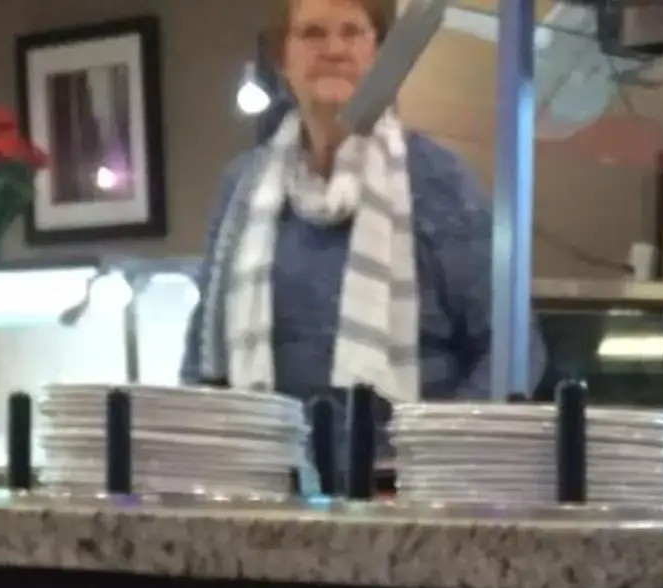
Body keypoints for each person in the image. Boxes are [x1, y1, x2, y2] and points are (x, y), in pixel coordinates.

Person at [183, 0, 497, 402]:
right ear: (282, 58)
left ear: (377, 53)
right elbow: (202, 352)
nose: (334, 50)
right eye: (313, 33)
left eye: (352, 32)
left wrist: (441, 454)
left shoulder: (438, 180)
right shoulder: (241, 187)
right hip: (269, 458)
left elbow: (506, 348)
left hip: (406, 460)